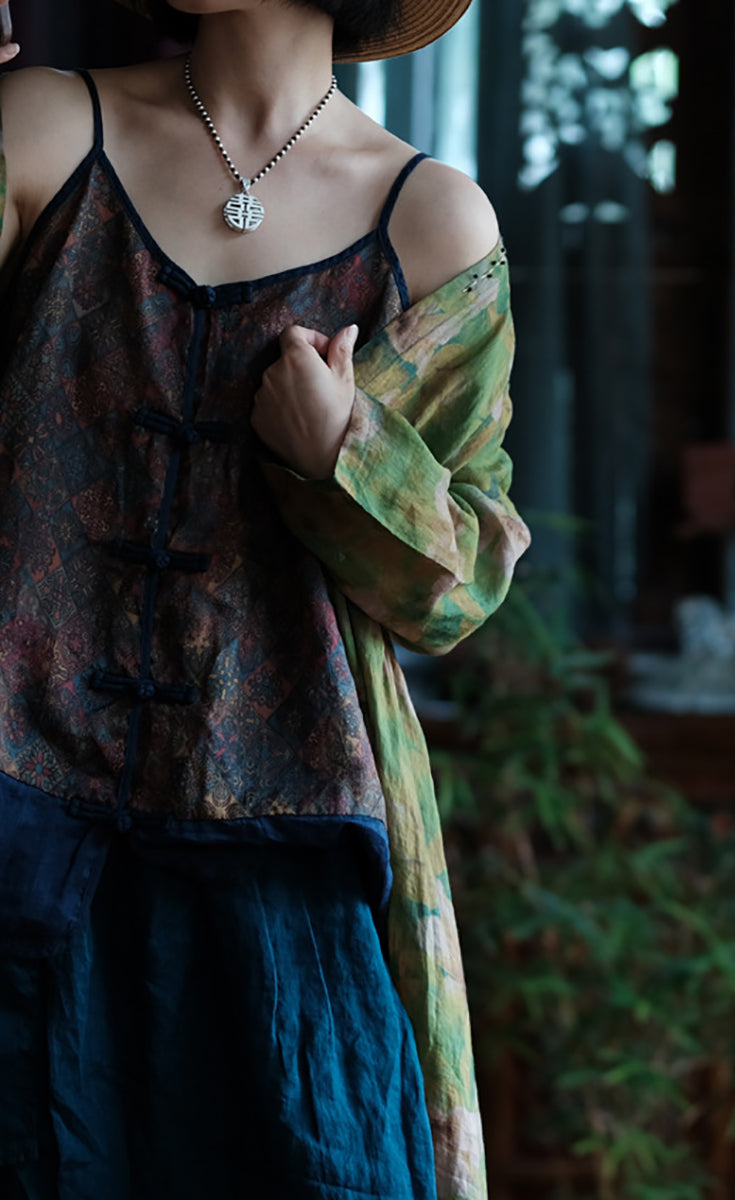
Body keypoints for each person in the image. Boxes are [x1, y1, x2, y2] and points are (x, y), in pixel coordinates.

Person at [0, 1, 530, 1197]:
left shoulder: (431, 221)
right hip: (17, 830)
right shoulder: (44, 128)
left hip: (283, 867)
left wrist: (346, 452)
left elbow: (459, 586)